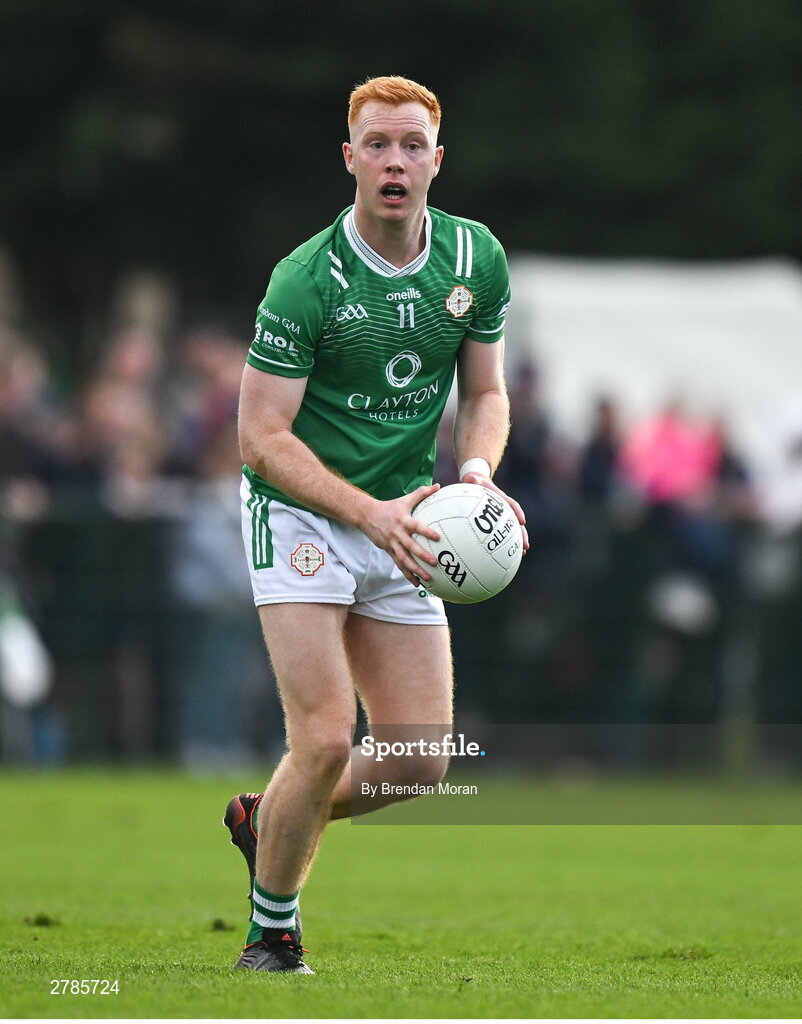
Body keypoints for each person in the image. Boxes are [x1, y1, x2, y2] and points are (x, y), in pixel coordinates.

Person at [225, 75, 527, 974]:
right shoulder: (306, 277)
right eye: (378, 145)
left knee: (419, 764)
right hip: (305, 512)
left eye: (411, 145)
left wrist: (474, 476)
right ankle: (271, 933)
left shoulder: (475, 260)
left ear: (438, 159)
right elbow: (259, 439)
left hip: (408, 519)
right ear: (350, 158)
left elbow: (485, 394)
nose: (395, 161)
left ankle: (265, 819)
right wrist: (367, 512)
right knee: (321, 740)